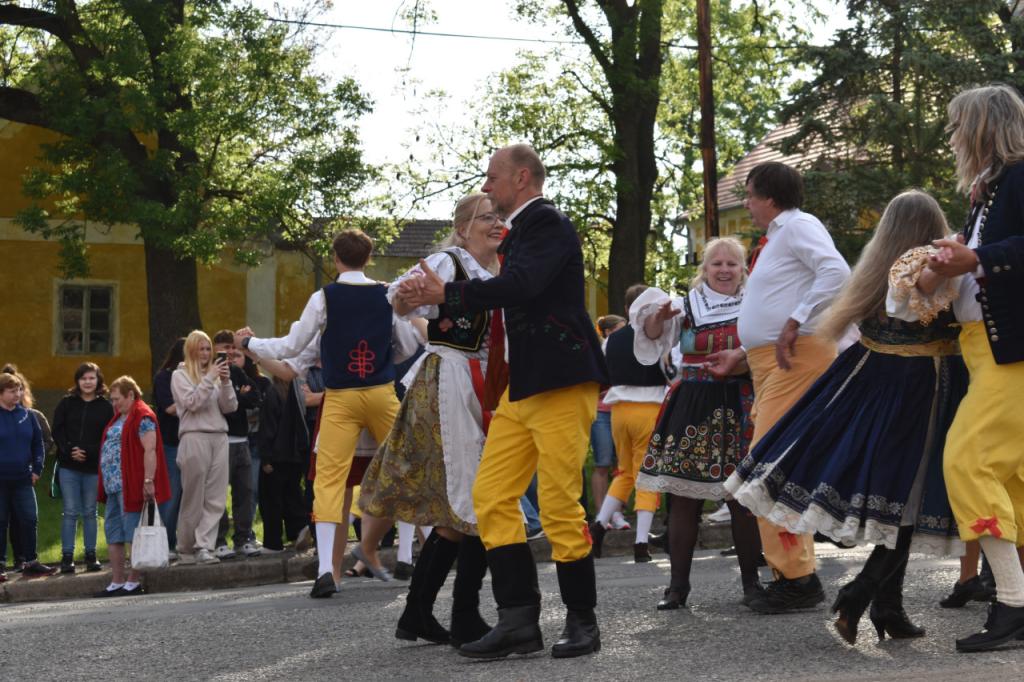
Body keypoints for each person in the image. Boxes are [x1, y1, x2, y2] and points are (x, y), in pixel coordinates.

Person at [726, 190, 966, 644]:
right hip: (922, 388)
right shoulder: (924, 268)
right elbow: (922, 300)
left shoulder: (876, 273)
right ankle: (862, 593)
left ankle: (888, 606)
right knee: (913, 497)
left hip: (875, 384)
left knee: (901, 499)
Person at [398, 144, 608, 659]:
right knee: (491, 497)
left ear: (522, 177)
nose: (486, 187)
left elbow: (522, 285)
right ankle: (518, 622)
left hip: (560, 380)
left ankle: (582, 621)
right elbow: (513, 289)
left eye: (493, 177)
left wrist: (448, 295)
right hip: (524, 385)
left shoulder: (548, 223)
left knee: (558, 504)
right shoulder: (522, 232)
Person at [236, 229, 418, 598]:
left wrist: (250, 343)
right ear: (369, 258)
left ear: (335, 258)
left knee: (329, 481)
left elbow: (292, 346)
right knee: (405, 466)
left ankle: (325, 571)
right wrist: (384, 361)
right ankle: (406, 556)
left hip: (340, 397)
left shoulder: (324, 297)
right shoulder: (387, 293)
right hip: (381, 392)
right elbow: (407, 346)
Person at [358, 191, 503, 646]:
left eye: (500, 216)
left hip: (485, 386)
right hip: (452, 380)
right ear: (463, 228)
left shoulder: (504, 271)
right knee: (474, 499)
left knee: (467, 502)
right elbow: (399, 301)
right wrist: (407, 299)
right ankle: (462, 615)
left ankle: (418, 612)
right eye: (486, 217)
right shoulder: (449, 262)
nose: (496, 223)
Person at [909, 83, 1024, 652]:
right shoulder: (987, 192)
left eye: (959, 126)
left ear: (982, 128)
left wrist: (975, 256)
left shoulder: (1019, 178)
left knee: (966, 460)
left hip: (1013, 355)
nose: (953, 136)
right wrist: (945, 264)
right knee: (1014, 482)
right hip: (986, 351)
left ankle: (1013, 603)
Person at [706, 161, 850, 614]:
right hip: (775, 360)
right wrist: (743, 354)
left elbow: (836, 272)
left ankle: (797, 578)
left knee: (766, 465)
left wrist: (795, 320)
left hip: (796, 356)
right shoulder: (779, 236)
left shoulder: (798, 226)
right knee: (772, 464)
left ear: (769, 197)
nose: (746, 204)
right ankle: (794, 574)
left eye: (750, 195)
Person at [630, 238, 762, 609]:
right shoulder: (684, 305)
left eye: (731, 264)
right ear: (705, 269)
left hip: (741, 403)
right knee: (684, 501)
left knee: (742, 500)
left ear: (742, 270)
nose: (724, 270)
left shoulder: (755, 304)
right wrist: (657, 318)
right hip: (694, 405)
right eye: (717, 264)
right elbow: (652, 337)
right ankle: (677, 587)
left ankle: (752, 584)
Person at [590, 287, 666, 564]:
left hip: (619, 410)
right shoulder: (659, 336)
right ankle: (641, 542)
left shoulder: (612, 340)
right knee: (648, 475)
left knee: (624, 472)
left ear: (626, 309)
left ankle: (599, 524)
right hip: (650, 410)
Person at [95, 376, 172, 596]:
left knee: (133, 534)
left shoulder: (143, 416)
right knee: (114, 534)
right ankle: (117, 580)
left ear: (130, 395)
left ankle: (133, 581)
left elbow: (150, 450)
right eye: (111, 400)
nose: (114, 403)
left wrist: (148, 480)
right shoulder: (118, 418)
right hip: (113, 486)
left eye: (117, 399)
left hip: (131, 485)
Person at [172, 330, 237, 565]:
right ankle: (186, 547)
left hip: (219, 436)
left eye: (208, 349)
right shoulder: (180, 375)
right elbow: (192, 403)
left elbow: (230, 407)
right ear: (191, 350)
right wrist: (209, 378)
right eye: (201, 349)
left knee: (216, 497)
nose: (206, 353)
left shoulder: (215, 375)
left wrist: (226, 382)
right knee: (193, 497)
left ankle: (204, 546)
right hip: (194, 436)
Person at [52, 362, 114, 574]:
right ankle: (67, 556)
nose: (87, 382)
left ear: (98, 380)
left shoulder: (106, 407)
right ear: (77, 381)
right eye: (83, 378)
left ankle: (91, 555)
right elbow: (57, 430)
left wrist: (88, 451)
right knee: (70, 511)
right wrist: (70, 450)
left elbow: (108, 436)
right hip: (69, 466)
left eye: (91, 378)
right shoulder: (66, 403)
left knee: (90, 512)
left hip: (93, 468)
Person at [212, 330, 262, 559]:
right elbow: (222, 407)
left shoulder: (236, 371)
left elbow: (256, 397)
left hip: (243, 441)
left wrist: (236, 398)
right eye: (225, 348)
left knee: (245, 492)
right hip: (222, 440)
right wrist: (237, 397)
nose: (230, 352)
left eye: (233, 347)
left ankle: (243, 539)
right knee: (218, 495)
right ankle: (219, 540)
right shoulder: (210, 373)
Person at [0, 372, 54, 580]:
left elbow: (38, 444)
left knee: (30, 519)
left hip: (23, 479)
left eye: (19, 390)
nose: (17, 394)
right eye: (12, 391)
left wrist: (37, 469)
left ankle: (30, 562)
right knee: (1, 521)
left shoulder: (28, 416)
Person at [590, 315, 625, 527]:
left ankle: (617, 513)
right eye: (621, 329)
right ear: (608, 332)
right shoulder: (598, 352)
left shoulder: (626, 350)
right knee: (602, 463)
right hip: (602, 412)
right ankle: (600, 514)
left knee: (622, 465)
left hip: (622, 410)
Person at [153, 339, 185, 558]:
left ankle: (188, 542)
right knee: (171, 495)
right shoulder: (164, 377)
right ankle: (166, 543)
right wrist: (196, 399)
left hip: (194, 440)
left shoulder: (200, 377)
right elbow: (170, 408)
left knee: (192, 496)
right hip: (171, 442)